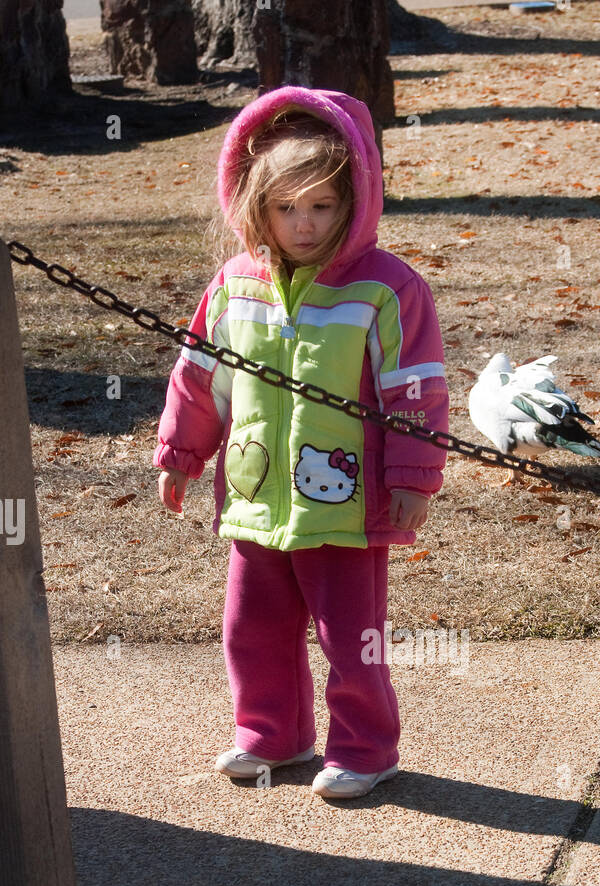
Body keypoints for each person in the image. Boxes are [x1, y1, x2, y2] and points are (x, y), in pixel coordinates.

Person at [153, 87, 449, 798]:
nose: (305, 224)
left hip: (345, 507)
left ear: (353, 198)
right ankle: (271, 736)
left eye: (320, 205)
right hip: (256, 495)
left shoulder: (386, 289)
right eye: (286, 209)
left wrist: (412, 477)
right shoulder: (233, 286)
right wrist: (181, 454)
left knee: (351, 638)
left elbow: (416, 389)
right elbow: (201, 380)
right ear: (257, 205)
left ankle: (366, 748)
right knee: (252, 629)